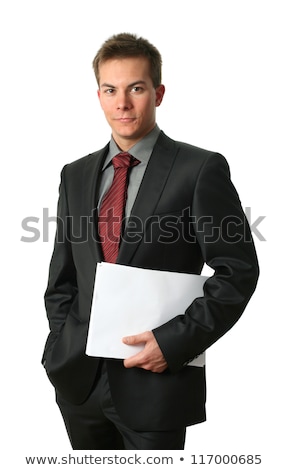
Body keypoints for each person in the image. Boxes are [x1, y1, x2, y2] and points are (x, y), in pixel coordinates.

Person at [42, 33, 259, 450]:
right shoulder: (76, 174)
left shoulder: (199, 169)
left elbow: (238, 272)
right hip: (79, 384)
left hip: (156, 384)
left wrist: (175, 343)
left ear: (158, 93)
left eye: (136, 88)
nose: (122, 103)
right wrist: (60, 344)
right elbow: (62, 277)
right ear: (99, 95)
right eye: (111, 90)